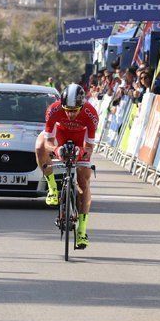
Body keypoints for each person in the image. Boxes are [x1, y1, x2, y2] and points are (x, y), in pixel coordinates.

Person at [34, 84, 99, 250]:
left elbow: (90, 146)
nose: (70, 114)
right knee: (39, 146)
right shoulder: (54, 110)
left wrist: (82, 152)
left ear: (82, 106)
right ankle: (52, 189)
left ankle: (82, 231)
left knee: (83, 181)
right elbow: (48, 141)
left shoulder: (90, 114)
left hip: (80, 139)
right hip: (60, 136)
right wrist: (56, 149)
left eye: (74, 110)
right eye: (67, 110)